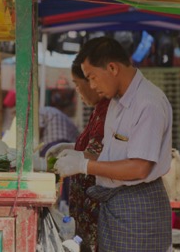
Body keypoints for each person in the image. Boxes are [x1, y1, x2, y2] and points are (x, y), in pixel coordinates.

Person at [54, 36, 172, 251]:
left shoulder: (148, 103)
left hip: (138, 208)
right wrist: (77, 155)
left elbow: (139, 168)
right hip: (115, 205)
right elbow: (111, 154)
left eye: (92, 77)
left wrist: (84, 165)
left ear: (112, 68)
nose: (91, 85)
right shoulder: (116, 102)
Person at [45, 58, 110, 251]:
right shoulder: (98, 109)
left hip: (98, 205)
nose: (78, 90)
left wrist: (80, 160)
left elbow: (106, 155)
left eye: (77, 83)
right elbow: (93, 148)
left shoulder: (110, 110)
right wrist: (73, 148)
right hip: (84, 208)